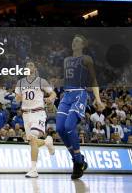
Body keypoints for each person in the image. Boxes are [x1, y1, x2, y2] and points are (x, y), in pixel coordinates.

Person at [56, 34, 104, 179]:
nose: (74, 43)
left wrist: (98, 99)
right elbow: (68, 78)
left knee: (69, 126)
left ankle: (77, 164)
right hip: (66, 95)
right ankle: (79, 160)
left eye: (77, 41)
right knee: (59, 128)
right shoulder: (66, 60)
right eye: (73, 41)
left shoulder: (86, 59)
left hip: (79, 94)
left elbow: (94, 79)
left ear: (83, 45)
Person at [15, 61, 57, 178]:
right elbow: (17, 99)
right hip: (26, 114)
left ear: (35, 68)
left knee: (33, 138)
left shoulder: (41, 81)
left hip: (38, 113)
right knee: (32, 142)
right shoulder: (20, 83)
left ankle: (33, 170)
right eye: (27, 66)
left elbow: (53, 93)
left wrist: (50, 99)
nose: (29, 67)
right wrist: (18, 97)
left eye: (31, 65)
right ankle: (47, 142)